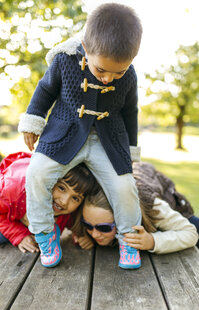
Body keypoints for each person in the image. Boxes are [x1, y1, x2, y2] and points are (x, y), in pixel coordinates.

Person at [18, 3, 143, 269]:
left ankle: (129, 240)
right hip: (65, 135)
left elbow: (130, 112)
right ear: (86, 48)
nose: (109, 78)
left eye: (118, 72)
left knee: (125, 187)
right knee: (37, 173)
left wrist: (130, 150)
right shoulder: (66, 60)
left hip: (108, 142)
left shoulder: (128, 75)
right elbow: (45, 91)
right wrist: (33, 121)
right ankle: (44, 232)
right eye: (101, 71)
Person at [72, 161, 199, 254]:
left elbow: (191, 233)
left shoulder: (154, 206)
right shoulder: (90, 202)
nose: (95, 234)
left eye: (103, 227)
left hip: (155, 196)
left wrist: (153, 241)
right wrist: (85, 235)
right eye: (88, 225)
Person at [0, 152, 97, 266]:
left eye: (75, 198)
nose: (64, 201)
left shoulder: (69, 211)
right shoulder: (13, 190)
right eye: (61, 188)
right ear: (50, 180)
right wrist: (19, 235)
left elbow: (73, 224)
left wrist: (80, 236)